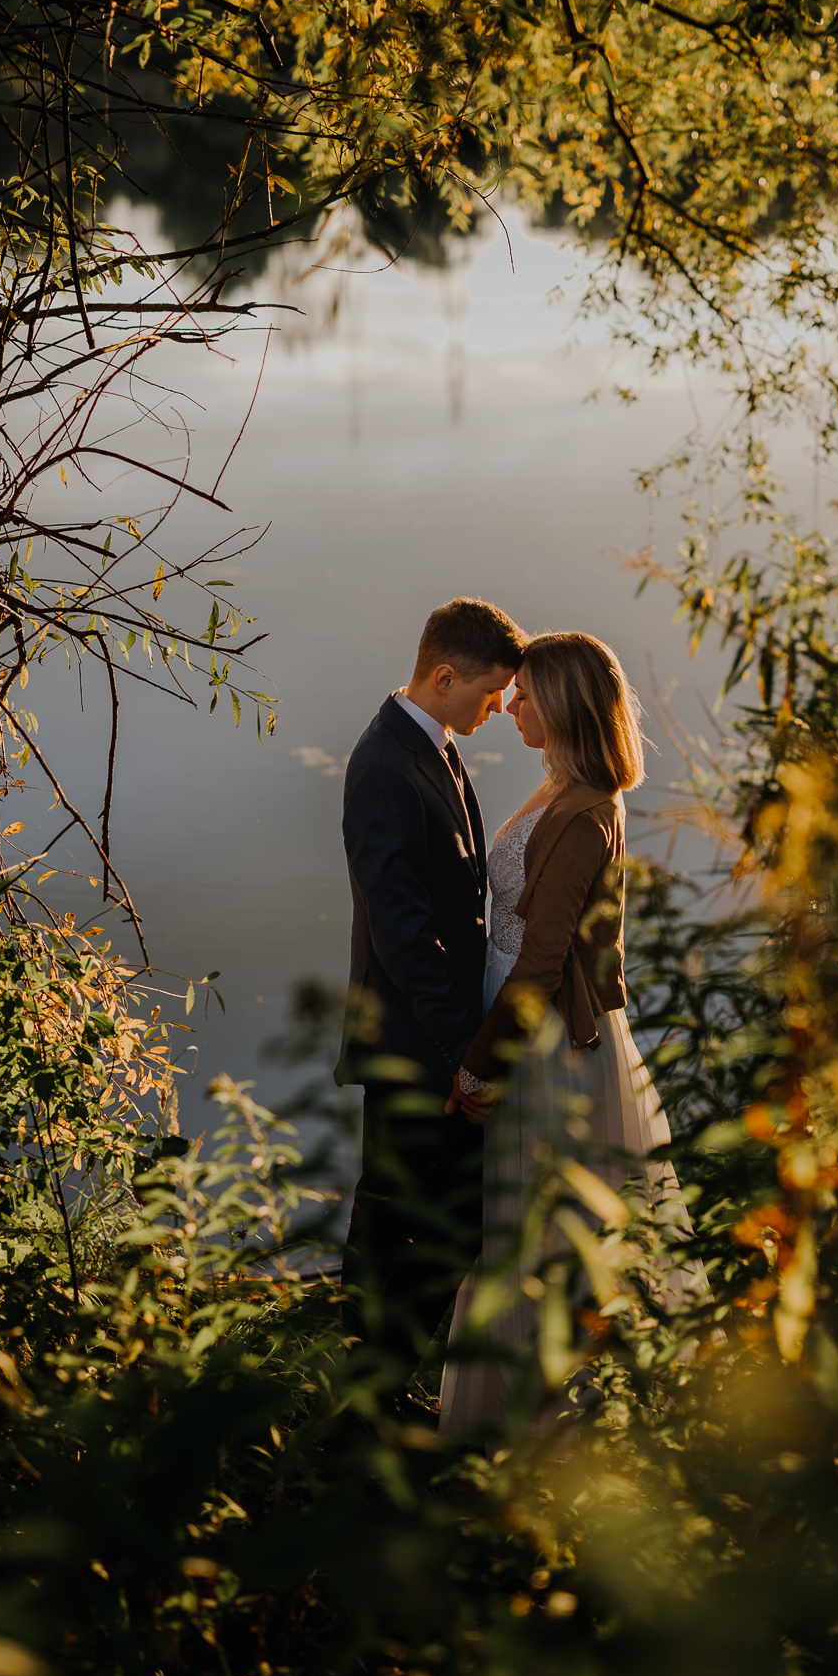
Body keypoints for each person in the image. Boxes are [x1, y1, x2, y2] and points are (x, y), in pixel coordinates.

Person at [438, 631, 701, 1439]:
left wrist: (482, 1066)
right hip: (521, 1023)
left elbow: (546, 957)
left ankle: (552, 1429)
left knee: (540, 1230)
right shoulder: (562, 785)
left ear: (559, 703)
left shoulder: (587, 813)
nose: (510, 702)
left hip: (542, 1046)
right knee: (522, 1225)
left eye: (525, 694)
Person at [336, 597, 527, 1382]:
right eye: (490, 694)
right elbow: (402, 931)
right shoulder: (385, 766)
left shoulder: (435, 741)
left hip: (434, 1034)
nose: (500, 708)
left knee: (400, 1216)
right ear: (444, 675)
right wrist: (465, 1053)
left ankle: (369, 1382)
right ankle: (371, 1391)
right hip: (415, 1042)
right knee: (425, 1219)